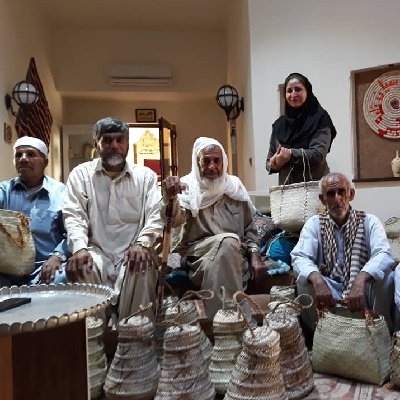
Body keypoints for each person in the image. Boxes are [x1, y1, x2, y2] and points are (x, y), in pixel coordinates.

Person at [62, 117, 163, 319]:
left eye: (119, 140)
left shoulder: (145, 177)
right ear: (96, 144)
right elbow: (74, 215)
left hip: (134, 249)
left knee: (141, 266)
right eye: (107, 140)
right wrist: (80, 248)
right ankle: (95, 336)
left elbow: (156, 214)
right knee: (82, 267)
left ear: (127, 143)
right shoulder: (80, 175)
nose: (114, 145)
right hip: (96, 251)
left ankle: (136, 335)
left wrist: (142, 244)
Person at [161, 137, 264, 317]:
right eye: (206, 161)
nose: (212, 167)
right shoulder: (187, 188)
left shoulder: (235, 188)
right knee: (228, 241)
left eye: (217, 161)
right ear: (197, 163)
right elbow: (174, 221)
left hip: (233, 257)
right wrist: (170, 198)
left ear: (223, 163)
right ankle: (236, 321)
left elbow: (250, 231)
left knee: (221, 257)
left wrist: (255, 256)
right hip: (197, 257)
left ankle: (220, 325)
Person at [291, 172, 395, 335]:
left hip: (362, 290)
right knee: (305, 281)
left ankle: (379, 335)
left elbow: (383, 253)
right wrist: (317, 280)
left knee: (385, 277)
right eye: (330, 194)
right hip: (329, 289)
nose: (337, 199)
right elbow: (300, 256)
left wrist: (361, 279)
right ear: (322, 199)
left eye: (341, 192)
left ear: (351, 194)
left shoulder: (370, 221)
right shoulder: (314, 224)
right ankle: (321, 336)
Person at [0, 136, 68, 286]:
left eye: (31, 154)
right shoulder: (4, 191)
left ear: (45, 162)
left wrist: (57, 256)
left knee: (60, 277)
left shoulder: (60, 193)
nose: (23, 159)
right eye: (18, 155)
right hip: (6, 269)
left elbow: (71, 232)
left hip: (45, 267)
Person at [266, 72, 337, 185]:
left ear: (307, 91)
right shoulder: (279, 125)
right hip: (287, 190)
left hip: (315, 188)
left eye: (298, 89)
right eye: (289, 91)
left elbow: (317, 155)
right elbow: (268, 163)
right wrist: (276, 163)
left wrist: (290, 154)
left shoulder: (320, 118)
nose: (293, 94)